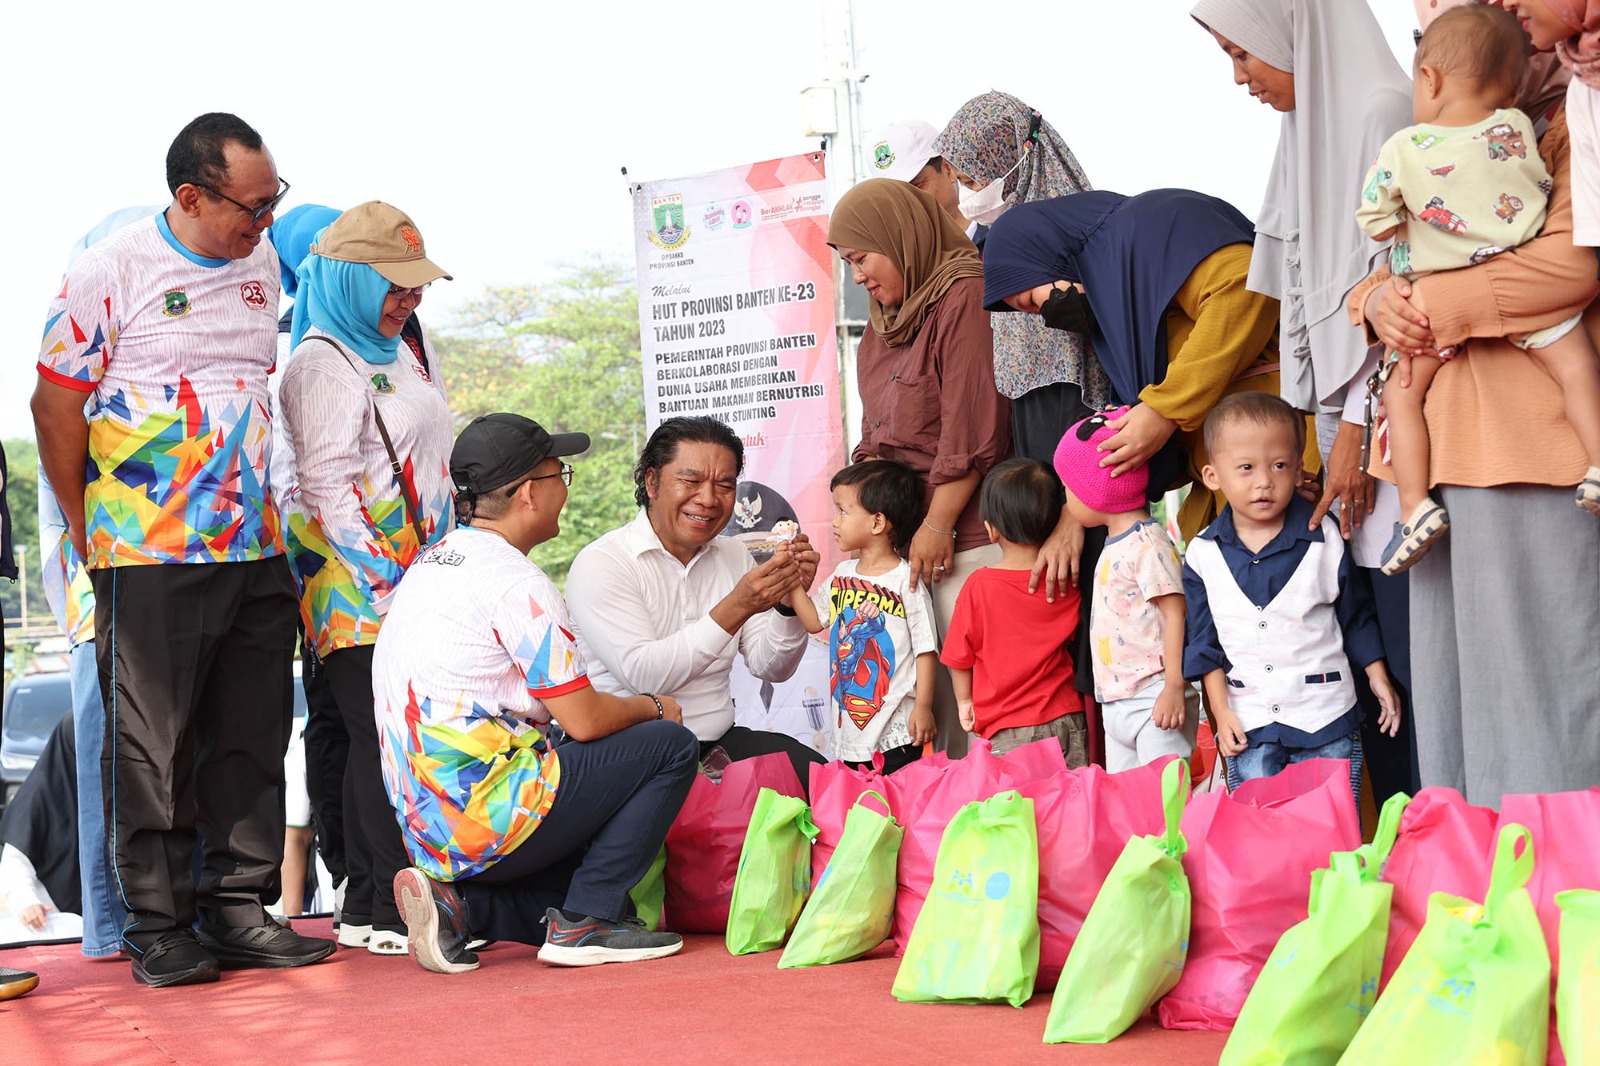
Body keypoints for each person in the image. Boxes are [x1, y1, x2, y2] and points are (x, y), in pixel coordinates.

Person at [31, 112, 332, 987]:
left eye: (276, 202)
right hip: (150, 548)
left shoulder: (262, 263)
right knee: (150, 747)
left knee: (250, 733)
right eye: (251, 206)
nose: (265, 224)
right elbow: (54, 408)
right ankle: (158, 928)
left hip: (253, 542)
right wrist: (84, 522)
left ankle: (238, 908)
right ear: (191, 196)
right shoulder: (108, 272)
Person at [1356, 0, 1600, 805]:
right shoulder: (1449, 146)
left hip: (1535, 452)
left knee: (1542, 704)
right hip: (1450, 453)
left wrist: (1417, 297)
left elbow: (1567, 271)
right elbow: (1392, 256)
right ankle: (1486, 907)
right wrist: (1375, 299)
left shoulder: (1573, 120)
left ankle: (1558, 908)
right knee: (1462, 708)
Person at [1192, 0, 1422, 806]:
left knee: (1403, 651)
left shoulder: (1381, 115)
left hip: (1398, 441)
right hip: (1344, 449)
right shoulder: (1309, 130)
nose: (1240, 77)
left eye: (1243, 54)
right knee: (1365, 635)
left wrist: (1354, 433)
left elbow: (1399, 286)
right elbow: (1304, 299)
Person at [375, 414, 697, 973]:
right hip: (488, 814)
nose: (564, 489)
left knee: (589, 877)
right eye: (560, 475)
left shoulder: (431, 565)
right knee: (667, 744)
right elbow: (586, 722)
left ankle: (463, 908)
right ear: (528, 493)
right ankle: (587, 924)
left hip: (431, 828)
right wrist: (654, 706)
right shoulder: (516, 582)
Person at [279, 201, 454, 956]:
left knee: (377, 738)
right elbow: (327, 489)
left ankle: (366, 903)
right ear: (349, 280)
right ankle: (383, 905)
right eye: (393, 287)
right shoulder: (321, 361)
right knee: (378, 738)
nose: (408, 302)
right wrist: (391, 578)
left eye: (416, 287)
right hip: (356, 585)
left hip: (417, 573)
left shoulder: (402, 346)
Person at [982, 188, 1314, 540]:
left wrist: (1162, 410)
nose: (1045, 318)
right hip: (1232, 493)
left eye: (1031, 301)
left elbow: (1244, 286)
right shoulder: (1115, 309)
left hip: (1280, 467)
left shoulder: (1151, 224)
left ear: (1048, 256)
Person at [827, 179, 1013, 756]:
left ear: (900, 237)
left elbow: (974, 430)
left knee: (963, 727)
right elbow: (875, 440)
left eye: (862, 257)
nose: (857, 276)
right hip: (904, 553)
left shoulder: (965, 296)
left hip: (965, 543)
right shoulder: (879, 330)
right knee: (908, 729)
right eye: (848, 263)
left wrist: (937, 524)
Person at [566, 417, 826, 785]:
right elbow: (644, 675)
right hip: (630, 753)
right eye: (690, 481)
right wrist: (736, 605)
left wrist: (785, 606)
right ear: (651, 481)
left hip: (717, 744)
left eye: (724, 485)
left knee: (828, 785)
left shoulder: (733, 554)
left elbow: (772, 668)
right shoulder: (603, 563)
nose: (707, 499)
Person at [36, 207, 159, 961]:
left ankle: (183, 915)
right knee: (113, 764)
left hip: (178, 581)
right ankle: (115, 928)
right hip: (105, 591)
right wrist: (90, 600)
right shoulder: (73, 364)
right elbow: (62, 508)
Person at [934, 92, 1105, 619]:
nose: (967, 198)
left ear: (1010, 164)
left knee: (1088, 595)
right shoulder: (993, 241)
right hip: (1032, 436)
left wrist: (1074, 516)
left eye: (972, 180)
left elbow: (1104, 389)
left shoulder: (1079, 240)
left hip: (1082, 439)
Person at [1182, 394, 1401, 806]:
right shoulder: (1203, 554)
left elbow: (1355, 615)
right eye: (1246, 468)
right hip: (1251, 723)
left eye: (1279, 466)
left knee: (1332, 834)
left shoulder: (1326, 537)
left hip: (1328, 717)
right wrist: (1221, 711)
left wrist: (1377, 675)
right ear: (1213, 476)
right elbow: (1203, 643)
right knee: (1261, 839)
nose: (1264, 480)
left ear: (1299, 470)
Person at [265, 203, 349, 909]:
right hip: (322, 559)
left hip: (391, 555)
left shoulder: (391, 327)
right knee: (335, 715)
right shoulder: (290, 342)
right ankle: (349, 870)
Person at [1053, 411, 1193, 772]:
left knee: (1167, 804)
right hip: (1118, 700)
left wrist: (1174, 686)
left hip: (1154, 699)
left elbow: (1175, 612)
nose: (1065, 497)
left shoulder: (1148, 545)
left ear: (1098, 490)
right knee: (1131, 805)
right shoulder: (1115, 544)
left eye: (1069, 487)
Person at [786, 459, 938, 774]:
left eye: (843, 511)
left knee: (896, 807)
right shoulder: (841, 574)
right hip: (848, 733)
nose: (835, 522)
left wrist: (923, 707)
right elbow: (815, 620)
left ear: (877, 522)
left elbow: (926, 649)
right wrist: (791, 582)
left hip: (896, 734)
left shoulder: (905, 581)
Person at [942, 458, 1086, 763]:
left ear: (991, 530)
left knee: (1017, 809)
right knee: (1069, 806)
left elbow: (958, 656)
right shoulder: (1062, 579)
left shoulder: (979, 587)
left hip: (1008, 728)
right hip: (1067, 718)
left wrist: (965, 701)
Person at [0, 715, 82, 942]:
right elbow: (15, 859)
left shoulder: (113, 789)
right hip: (53, 921)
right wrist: (26, 902)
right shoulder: (39, 796)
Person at [863, 119, 971, 230]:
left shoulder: (988, 236)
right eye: (896, 196)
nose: (908, 202)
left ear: (948, 170)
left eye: (917, 186)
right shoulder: (902, 246)